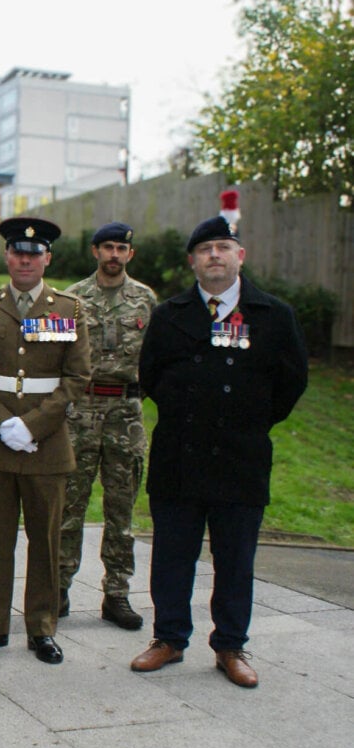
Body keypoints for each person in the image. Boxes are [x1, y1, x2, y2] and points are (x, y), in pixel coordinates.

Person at [130, 216, 307, 688]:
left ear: (239, 257)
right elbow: (151, 375)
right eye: (205, 248)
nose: (214, 255)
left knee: (235, 559)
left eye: (223, 247)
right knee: (171, 555)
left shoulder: (273, 315)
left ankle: (230, 645)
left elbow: (291, 383)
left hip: (240, 456)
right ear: (192, 261)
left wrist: (250, 419)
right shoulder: (170, 314)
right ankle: (168, 638)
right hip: (180, 456)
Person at [0, 217, 90, 665]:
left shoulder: (68, 309)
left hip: (46, 445)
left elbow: (76, 378)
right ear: (7, 257)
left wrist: (32, 426)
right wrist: (1, 424)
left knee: (46, 542)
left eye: (34, 253)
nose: (25, 259)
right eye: (17, 252)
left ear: (47, 258)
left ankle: (42, 628)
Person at [59, 222, 157, 630]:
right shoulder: (73, 299)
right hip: (80, 411)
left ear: (130, 254)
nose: (114, 255)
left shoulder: (146, 300)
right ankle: (58, 586)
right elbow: (58, 352)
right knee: (69, 505)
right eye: (108, 248)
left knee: (121, 511)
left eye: (121, 248)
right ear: (95, 251)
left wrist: (137, 393)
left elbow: (158, 358)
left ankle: (116, 592)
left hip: (126, 413)